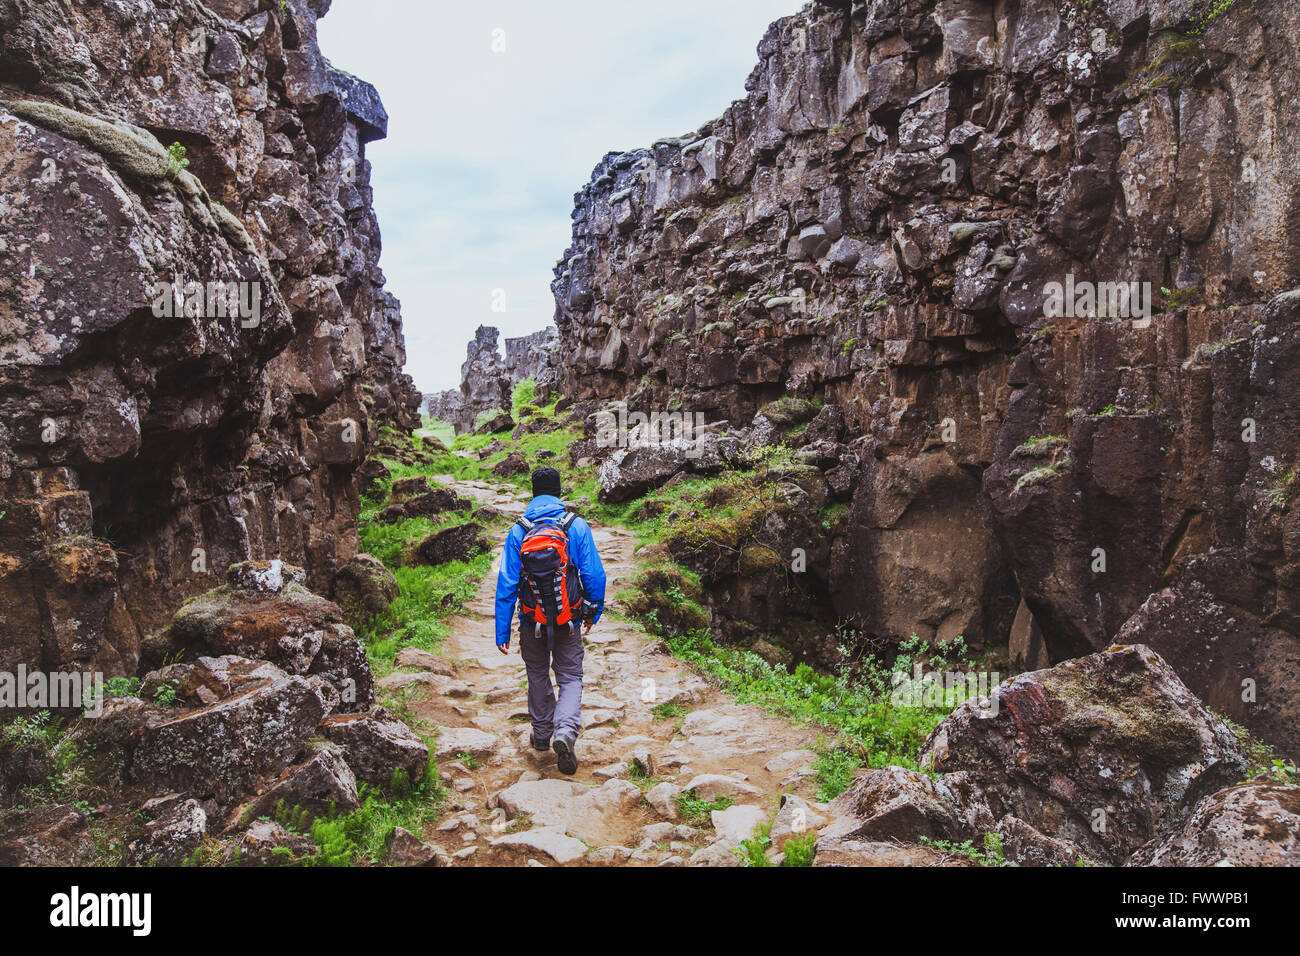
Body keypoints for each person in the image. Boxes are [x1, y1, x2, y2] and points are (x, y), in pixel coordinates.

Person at [494, 467, 606, 774]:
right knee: (570, 677)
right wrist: (593, 610)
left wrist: (501, 630)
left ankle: (542, 735)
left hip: (533, 622)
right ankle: (565, 733)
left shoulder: (519, 530)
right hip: (568, 620)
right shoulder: (575, 526)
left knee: (538, 675)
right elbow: (593, 574)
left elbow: (506, 584)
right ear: (558, 492)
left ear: (533, 493)